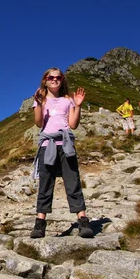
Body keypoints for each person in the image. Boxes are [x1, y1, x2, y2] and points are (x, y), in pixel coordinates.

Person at [30, 67, 93, 239]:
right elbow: (38, 122)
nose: (55, 80)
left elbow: (73, 124)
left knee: (72, 181)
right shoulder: (40, 99)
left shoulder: (68, 100)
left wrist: (78, 106)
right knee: (46, 182)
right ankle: (40, 223)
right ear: (45, 80)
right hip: (47, 145)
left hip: (66, 144)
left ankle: (82, 220)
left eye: (58, 77)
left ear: (62, 79)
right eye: (51, 77)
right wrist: (39, 104)